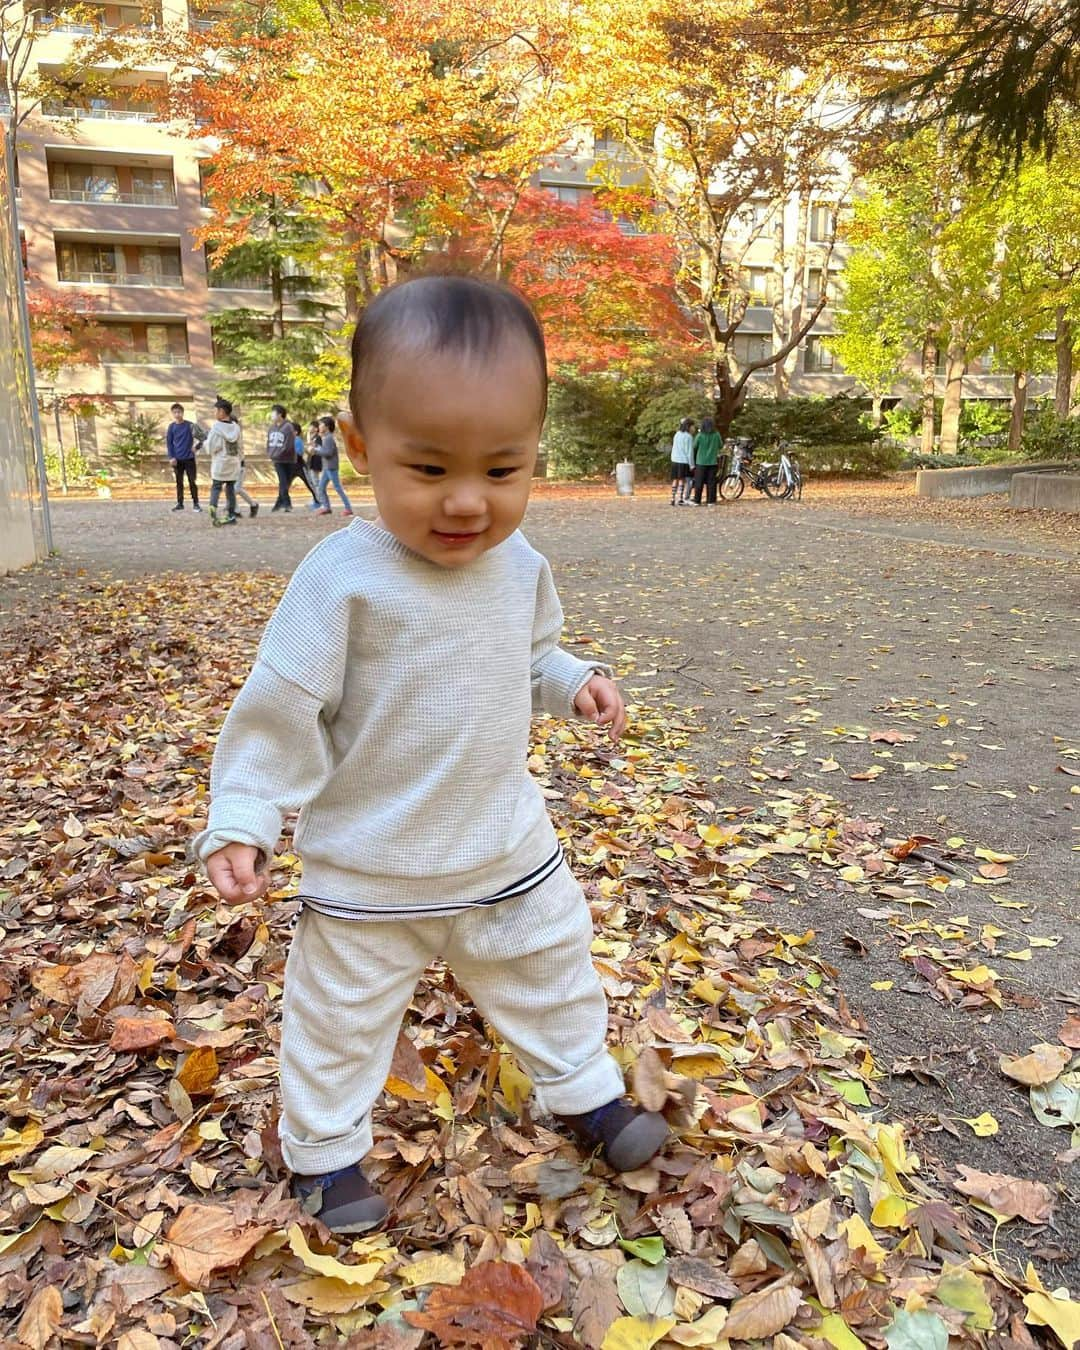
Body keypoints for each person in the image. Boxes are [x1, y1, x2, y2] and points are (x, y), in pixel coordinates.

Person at [194, 274, 671, 1234]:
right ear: (363, 449)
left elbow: (529, 651)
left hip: (501, 848)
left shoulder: (520, 566)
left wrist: (570, 679)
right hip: (370, 869)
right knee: (337, 1017)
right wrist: (244, 813)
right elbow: (281, 704)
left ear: (535, 454)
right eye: (428, 469)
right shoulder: (342, 580)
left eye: (502, 472)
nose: (466, 503)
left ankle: (583, 1092)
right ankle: (326, 1157)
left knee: (553, 965)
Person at [207, 396, 242, 526]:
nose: (214, 413)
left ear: (222, 412)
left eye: (215, 411)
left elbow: (212, 446)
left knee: (216, 486)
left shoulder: (216, 428)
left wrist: (207, 447)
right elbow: (239, 445)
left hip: (220, 462)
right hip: (233, 462)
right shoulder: (236, 427)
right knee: (230, 488)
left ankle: (213, 505)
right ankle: (231, 514)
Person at [166, 402, 205, 512]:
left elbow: (203, 437)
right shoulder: (172, 427)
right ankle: (180, 503)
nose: (177, 414)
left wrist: (197, 447)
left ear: (183, 413)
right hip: (177, 459)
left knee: (192, 481)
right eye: (175, 412)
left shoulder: (190, 425)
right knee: (179, 482)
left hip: (189, 458)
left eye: (179, 412)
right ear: (172, 414)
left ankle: (196, 503)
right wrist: (171, 457)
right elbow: (169, 443)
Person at [314, 415, 353, 516]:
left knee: (337, 488)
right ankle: (326, 507)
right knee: (321, 488)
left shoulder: (328, 438)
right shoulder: (326, 438)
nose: (319, 426)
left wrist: (316, 450)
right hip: (327, 467)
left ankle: (348, 508)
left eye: (321, 424)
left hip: (331, 467)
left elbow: (328, 453)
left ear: (327, 426)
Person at [267, 403, 297, 512]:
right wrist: (270, 454)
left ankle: (279, 503)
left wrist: (278, 453)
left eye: (273, 413)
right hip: (277, 459)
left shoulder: (288, 427)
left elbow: (288, 444)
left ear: (280, 415)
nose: (272, 415)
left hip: (287, 459)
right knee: (283, 481)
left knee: (285, 482)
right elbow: (269, 443)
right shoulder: (272, 428)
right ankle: (286, 504)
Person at [232, 414, 259, 518]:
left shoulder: (236, 435)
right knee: (234, 489)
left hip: (240, 466)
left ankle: (238, 509)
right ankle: (250, 505)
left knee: (236, 489)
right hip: (231, 466)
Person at [691, 416, 721, 505]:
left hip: (701, 462)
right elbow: (721, 445)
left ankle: (697, 500)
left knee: (699, 482)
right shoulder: (716, 435)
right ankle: (711, 501)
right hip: (713, 461)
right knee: (711, 482)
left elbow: (694, 446)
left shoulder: (700, 435)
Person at [291, 420, 322, 506]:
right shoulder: (312, 438)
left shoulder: (299, 440)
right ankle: (317, 500)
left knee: (312, 483)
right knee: (313, 482)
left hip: (308, 464)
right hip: (300, 465)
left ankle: (318, 500)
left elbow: (302, 452)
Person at [669, 417, 694, 506]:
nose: (693, 428)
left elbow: (674, 447)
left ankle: (672, 498)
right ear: (688, 426)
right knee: (682, 480)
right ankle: (680, 498)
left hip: (675, 459)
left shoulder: (677, 434)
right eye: (692, 426)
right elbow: (689, 452)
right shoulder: (689, 437)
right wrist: (691, 465)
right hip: (683, 461)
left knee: (675, 479)